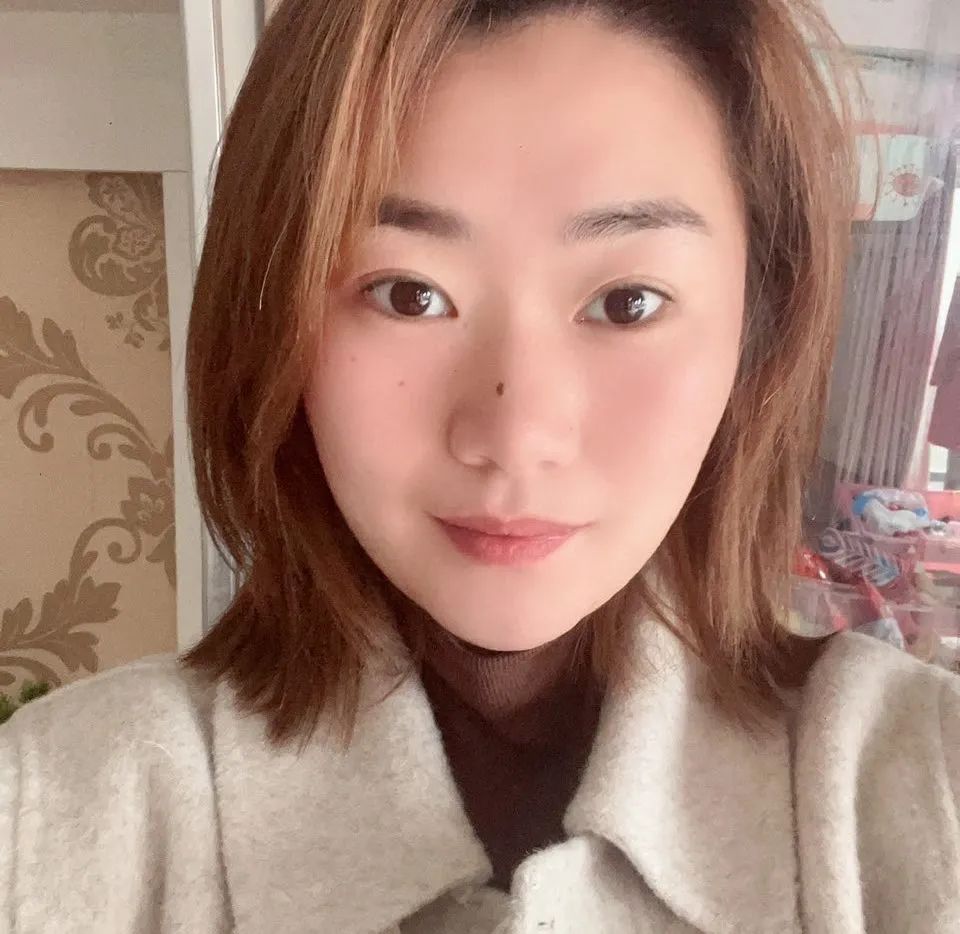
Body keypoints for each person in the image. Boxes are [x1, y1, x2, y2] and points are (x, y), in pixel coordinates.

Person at [2, 0, 958, 931]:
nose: (515, 433)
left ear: (758, 329)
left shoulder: (921, 784)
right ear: (272, 318)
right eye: (407, 294)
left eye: (626, 302)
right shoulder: (48, 816)